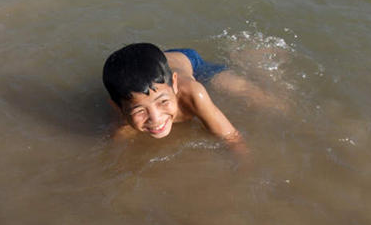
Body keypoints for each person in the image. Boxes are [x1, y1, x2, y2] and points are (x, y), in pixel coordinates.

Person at [102, 42, 271, 151]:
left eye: (163, 101)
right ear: (117, 107)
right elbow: (116, 151)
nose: (155, 118)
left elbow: (232, 138)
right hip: (154, 67)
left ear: (174, 84)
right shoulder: (123, 117)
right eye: (139, 110)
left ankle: (248, 53)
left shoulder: (193, 94)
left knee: (250, 93)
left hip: (190, 63)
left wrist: (244, 171)